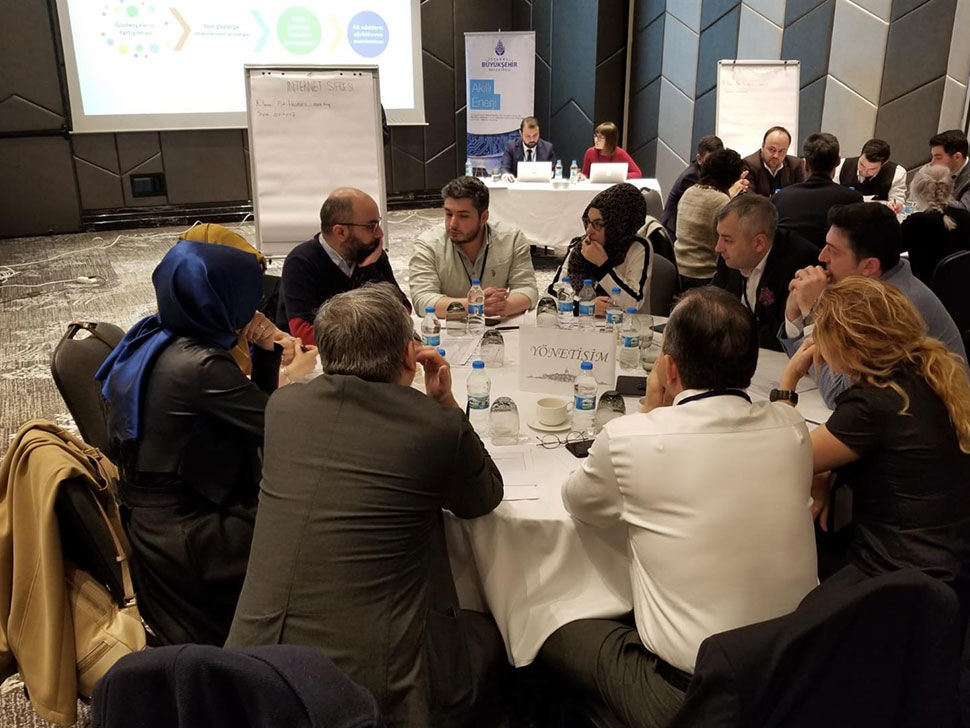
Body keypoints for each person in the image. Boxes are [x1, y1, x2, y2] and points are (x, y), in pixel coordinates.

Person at [227, 283, 508, 728]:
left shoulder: (283, 407)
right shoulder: (433, 426)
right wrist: (446, 403)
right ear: (409, 355)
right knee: (498, 633)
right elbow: (483, 498)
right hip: (368, 697)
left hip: (247, 680)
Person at [538, 286, 817, 728]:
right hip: (795, 676)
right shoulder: (792, 427)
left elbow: (578, 502)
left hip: (692, 697)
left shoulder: (632, 439)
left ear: (668, 368)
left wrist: (651, 409)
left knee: (547, 620)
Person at [95, 240, 318, 646]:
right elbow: (282, 426)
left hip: (158, 520)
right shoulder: (200, 367)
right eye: (247, 298)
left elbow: (251, 416)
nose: (255, 308)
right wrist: (297, 377)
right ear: (219, 298)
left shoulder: (160, 335)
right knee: (317, 527)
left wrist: (267, 349)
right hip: (194, 537)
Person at [778, 276, 970, 611]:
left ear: (849, 349)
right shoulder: (928, 374)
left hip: (899, 574)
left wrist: (787, 383)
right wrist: (825, 472)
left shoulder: (871, 404)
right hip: (948, 560)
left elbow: (781, 458)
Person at [779, 202, 967, 408]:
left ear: (869, 265)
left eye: (832, 250)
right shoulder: (867, 288)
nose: (822, 256)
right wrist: (794, 311)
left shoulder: (891, 307)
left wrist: (812, 312)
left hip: (941, 419)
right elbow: (804, 365)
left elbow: (840, 394)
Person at [277, 187, 410, 347]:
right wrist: (375, 333)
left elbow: (403, 310)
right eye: (371, 226)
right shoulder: (301, 262)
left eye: (378, 224)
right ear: (340, 232)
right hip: (314, 358)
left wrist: (368, 273)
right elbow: (304, 333)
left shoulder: (371, 255)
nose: (379, 234)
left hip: (364, 353)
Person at [409, 175, 538, 317]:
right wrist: (474, 305)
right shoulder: (428, 244)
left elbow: (527, 289)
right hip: (450, 327)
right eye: (448, 214)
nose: (452, 224)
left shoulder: (511, 239)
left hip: (497, 325)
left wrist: (504, 306)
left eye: (463, 216)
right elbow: (422, 301)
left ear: (484, 217)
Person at [711, 194, 819, 351]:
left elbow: (782, 335)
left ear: (759, 243)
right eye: (719, 237)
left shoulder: (799, 263)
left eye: (727, 240)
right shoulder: (730, 257)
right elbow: (713, 306)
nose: (718, 247)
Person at [546, 183, 655, 313]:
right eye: (588, 222)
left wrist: (603, 265)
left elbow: (633, 304)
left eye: (598, 224)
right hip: (583, 323)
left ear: (617, 226)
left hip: (627, 324)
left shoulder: (639, 248)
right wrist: (586, 306)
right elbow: (553, 293)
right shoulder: (582, 246)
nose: (589, 231)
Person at [772, 132, 863, 250]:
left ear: (805, 165)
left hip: (789, 260)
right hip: (832, 261)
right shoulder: (853, 200)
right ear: (838, 161)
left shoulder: (779, 198)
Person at [674, 148, 745, 289]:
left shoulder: (690, 191)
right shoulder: (722, 201)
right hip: (704, 275)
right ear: (733, 177)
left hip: (678, 269)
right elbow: (726, 242)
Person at [902, 164, 970, 284]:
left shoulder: (915, 223)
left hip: (925, 287)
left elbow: (889, 250)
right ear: (950, 188)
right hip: (962, 285)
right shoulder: (965, 216)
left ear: (916, 191)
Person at [660, 134, 723, 240]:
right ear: (699, 159)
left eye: (718, 161)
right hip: (673, 234)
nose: (714, 165)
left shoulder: (709, 173)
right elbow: (701, 208)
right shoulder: (690, 177)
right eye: (710, 161)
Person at [834, 138, 906, 203]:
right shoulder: (841, 166)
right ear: (861, 154)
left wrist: (895, 205)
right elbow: (833, 195)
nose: (864, 171)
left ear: (884, 164)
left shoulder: (897, 173)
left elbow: (897, 201)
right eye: (862, 165)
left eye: (872, 169)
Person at [742, 126, 807, 197]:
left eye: (781, 151)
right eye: (772, 150)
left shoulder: (796, 165)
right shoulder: (748, 164)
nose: (776, 155)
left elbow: (801, 195)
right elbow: (749, 198)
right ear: (763, 146)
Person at [930, 129, 970, 211]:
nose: (932, 162)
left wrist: (935, 196)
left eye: (938, 158)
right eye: (932, 156)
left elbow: (964, 210)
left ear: (957, 157)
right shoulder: (947, 171)